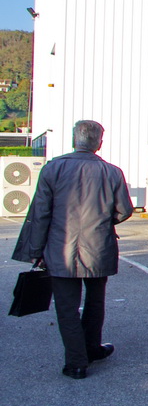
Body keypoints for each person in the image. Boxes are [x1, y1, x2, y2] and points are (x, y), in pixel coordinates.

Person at [13, 120, 134, 379]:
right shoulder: (112, 172)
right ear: (99, 142)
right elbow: (124, 210)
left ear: (73, 140)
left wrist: (35, 249)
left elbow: (40, 213)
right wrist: (104, 222)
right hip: (98, 246)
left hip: (59, 249)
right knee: (95, 301)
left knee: (66, 306)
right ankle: (92, 349)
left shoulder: (52, 169)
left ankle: (76, 362)